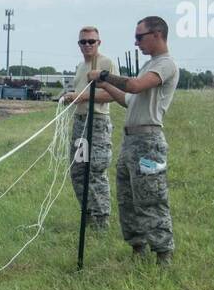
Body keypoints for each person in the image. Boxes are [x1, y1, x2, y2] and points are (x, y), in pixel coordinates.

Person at [96, 16, 179, 265]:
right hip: (131, 142)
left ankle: (163, 255)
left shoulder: (165, 65)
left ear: (157, 34)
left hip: (149, 144)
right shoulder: (150, 64)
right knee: (128, 199)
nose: (136, 43)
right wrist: (104, 84)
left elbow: (134, 86)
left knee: (151, 199)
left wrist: (104, 74)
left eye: (139, 37)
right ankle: (137, 248)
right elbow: (128, 99)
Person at [59, 27, 116, 230]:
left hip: (97, 123)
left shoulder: (106, 63)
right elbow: (79, 92)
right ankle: (89, 215)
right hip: (80, 123)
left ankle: (102, 221)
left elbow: (113, 95)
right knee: (78, 171)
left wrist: (81, 97)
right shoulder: (80, 66)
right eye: (83, 42)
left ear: (99, 42)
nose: (87, 45)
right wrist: (70, 97)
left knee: (95, 171)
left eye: (91, 41)